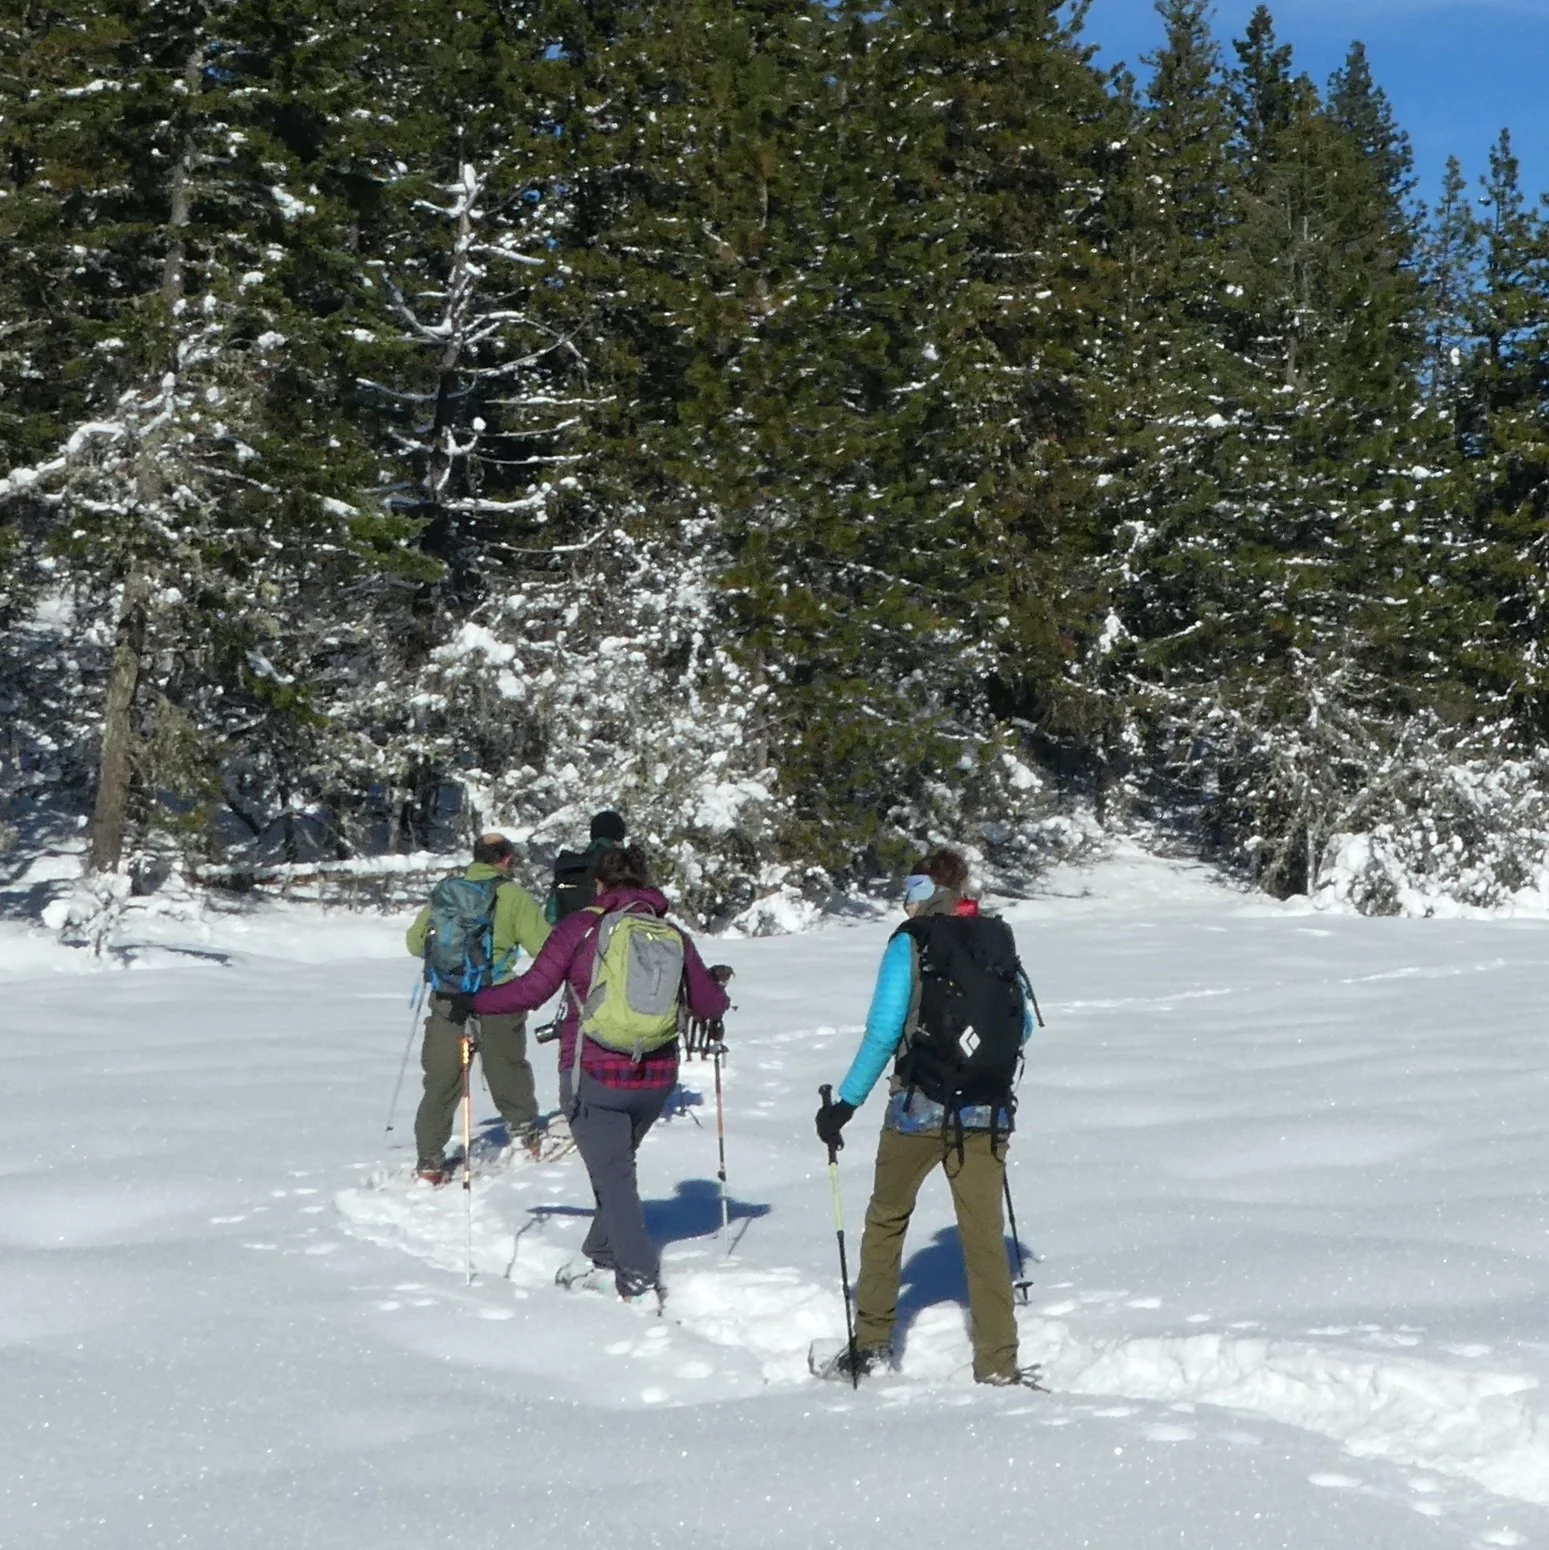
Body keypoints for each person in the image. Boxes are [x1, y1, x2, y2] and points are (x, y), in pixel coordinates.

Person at [459, 844, 732, 1304]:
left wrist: (475, 1003)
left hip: (594, 1073)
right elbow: (709, 1005)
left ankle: (638, 1280)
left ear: (599, 883)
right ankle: (601, 1253)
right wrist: (714, 986)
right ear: (644, 883)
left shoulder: (580, 928)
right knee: (616, 1170)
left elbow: (531, 991)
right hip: (657, 1076)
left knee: (615, 1178)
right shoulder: (671, 934)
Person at [814, 847, 1038, 1386]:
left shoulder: (909, 941)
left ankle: (871, 1344)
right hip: (985, 1111)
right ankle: (999, 1363)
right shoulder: (995, 937)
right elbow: (1023, 1027)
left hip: (918, 1109)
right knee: (984, 1235)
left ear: (917, 890)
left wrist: (844, 1104)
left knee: (887, 1218)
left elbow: (884, 1031)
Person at [405, 833, 551, 1182]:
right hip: (498, 996)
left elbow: (414, 943)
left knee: (441, 1081)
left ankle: (429, 1161)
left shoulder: (447, 893)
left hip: (448, 1000)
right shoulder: (513, 896)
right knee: (507, 1070)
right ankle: (525, 1135)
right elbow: (543, 946)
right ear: (507, 859)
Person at [545, 809, 628, 923]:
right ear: (619, 837)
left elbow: (551, 917)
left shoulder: (570, 867)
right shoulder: (626, 866)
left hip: (572, 936)